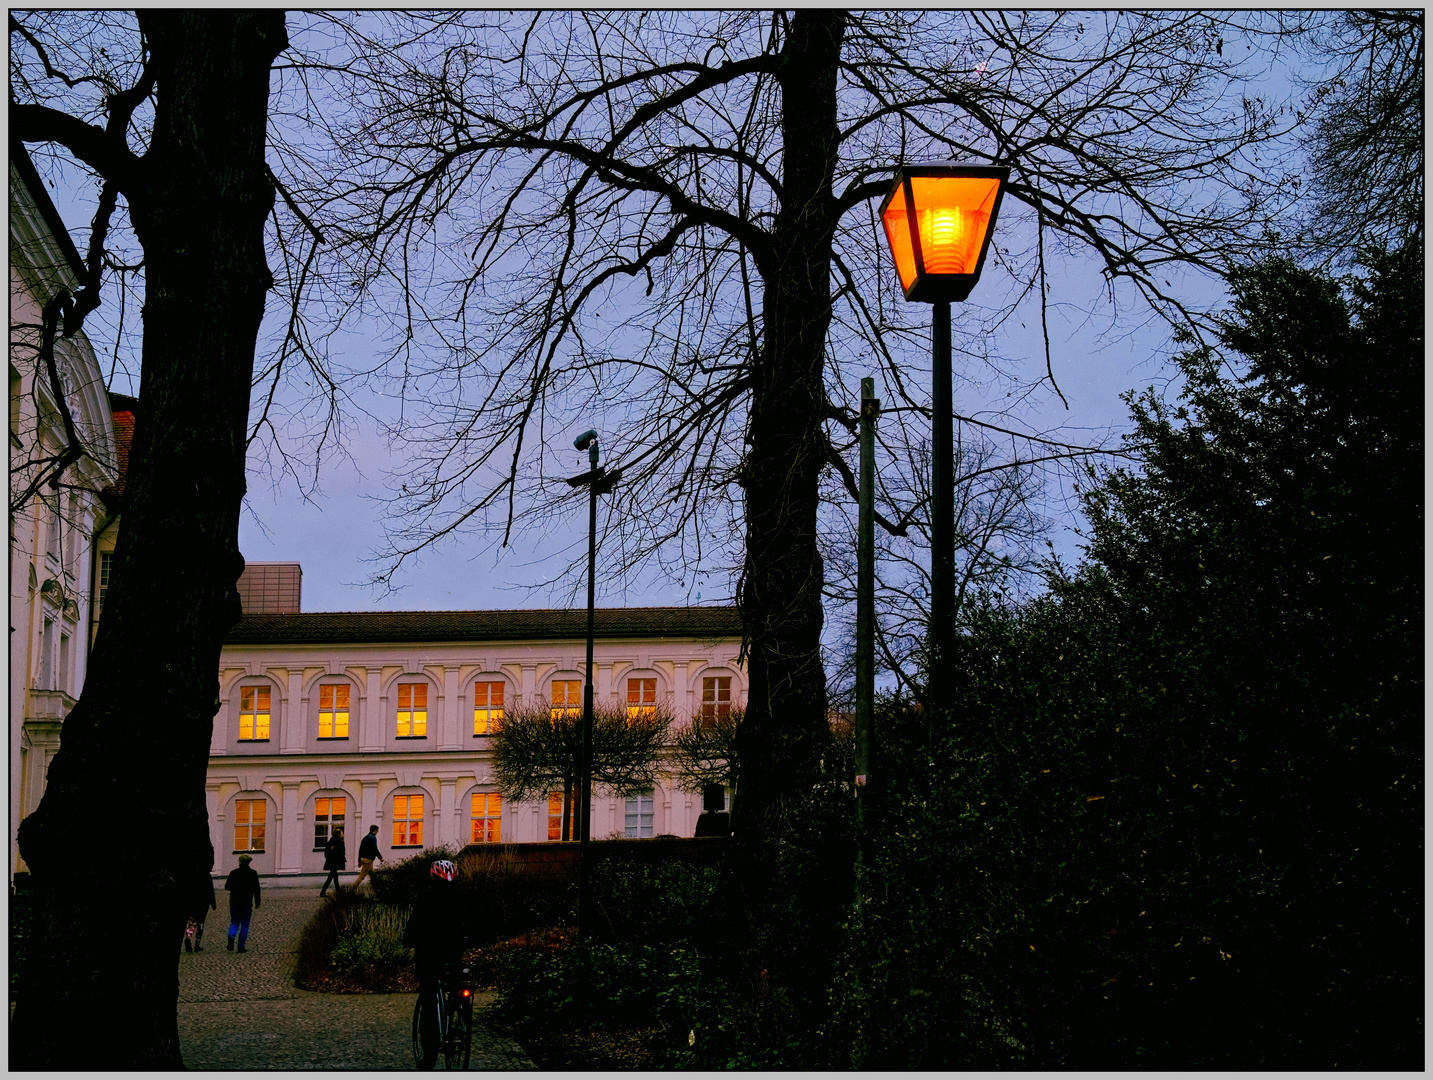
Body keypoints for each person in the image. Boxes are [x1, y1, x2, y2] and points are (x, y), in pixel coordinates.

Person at [404, 859, 466, 1069]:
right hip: (453, 959)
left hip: (429, 959)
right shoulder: (462, 899)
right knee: (458, 989)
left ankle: (429, 1055)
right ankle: (460, 1024)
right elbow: (475, 924)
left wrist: (408, 941)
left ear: (431, 877)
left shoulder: (425, 899)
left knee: (429, 1000)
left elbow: (412, 928)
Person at [224, 853, 261, 953]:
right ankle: (241, 946)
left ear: (240, 862)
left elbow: (227, 886)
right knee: (245, 924)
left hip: (234, 901)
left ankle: (231, 937)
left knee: (234, 921)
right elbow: (256, 889)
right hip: (246, 902)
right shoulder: (253, 873)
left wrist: (235, 887)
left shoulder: (234, 873)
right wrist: (257, 901)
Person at [181, 866, 217, 953]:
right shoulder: (206, 876)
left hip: (192, 901)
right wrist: (213, 903)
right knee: (201, 923)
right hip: (203, 902)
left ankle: (188, 937)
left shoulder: (192, 874)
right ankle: (197, 944)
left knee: (192, 921)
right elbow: (210, 890)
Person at [352, 824, 384, 892]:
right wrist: (380, 857)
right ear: (375, 830)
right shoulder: (373, 838)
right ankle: (350, 890)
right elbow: (375, 848)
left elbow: (360, 849)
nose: (377, 832)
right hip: (368, 860)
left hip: (363, 859)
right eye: (377, 831)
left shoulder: (365, 838)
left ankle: (376, 889)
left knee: (373, 875)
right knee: (361, 877)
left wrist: (359, 860)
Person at [319, 826, 346, 897]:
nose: (343, 835)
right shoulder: (339, 842)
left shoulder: (331, 841)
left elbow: (327, 853)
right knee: (331, 877)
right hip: (335, 862)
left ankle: (337, 891)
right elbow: (341, 853)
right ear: (339, 834)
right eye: (342, 833)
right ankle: (324, 892)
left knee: (333, 876)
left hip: (332, 862)